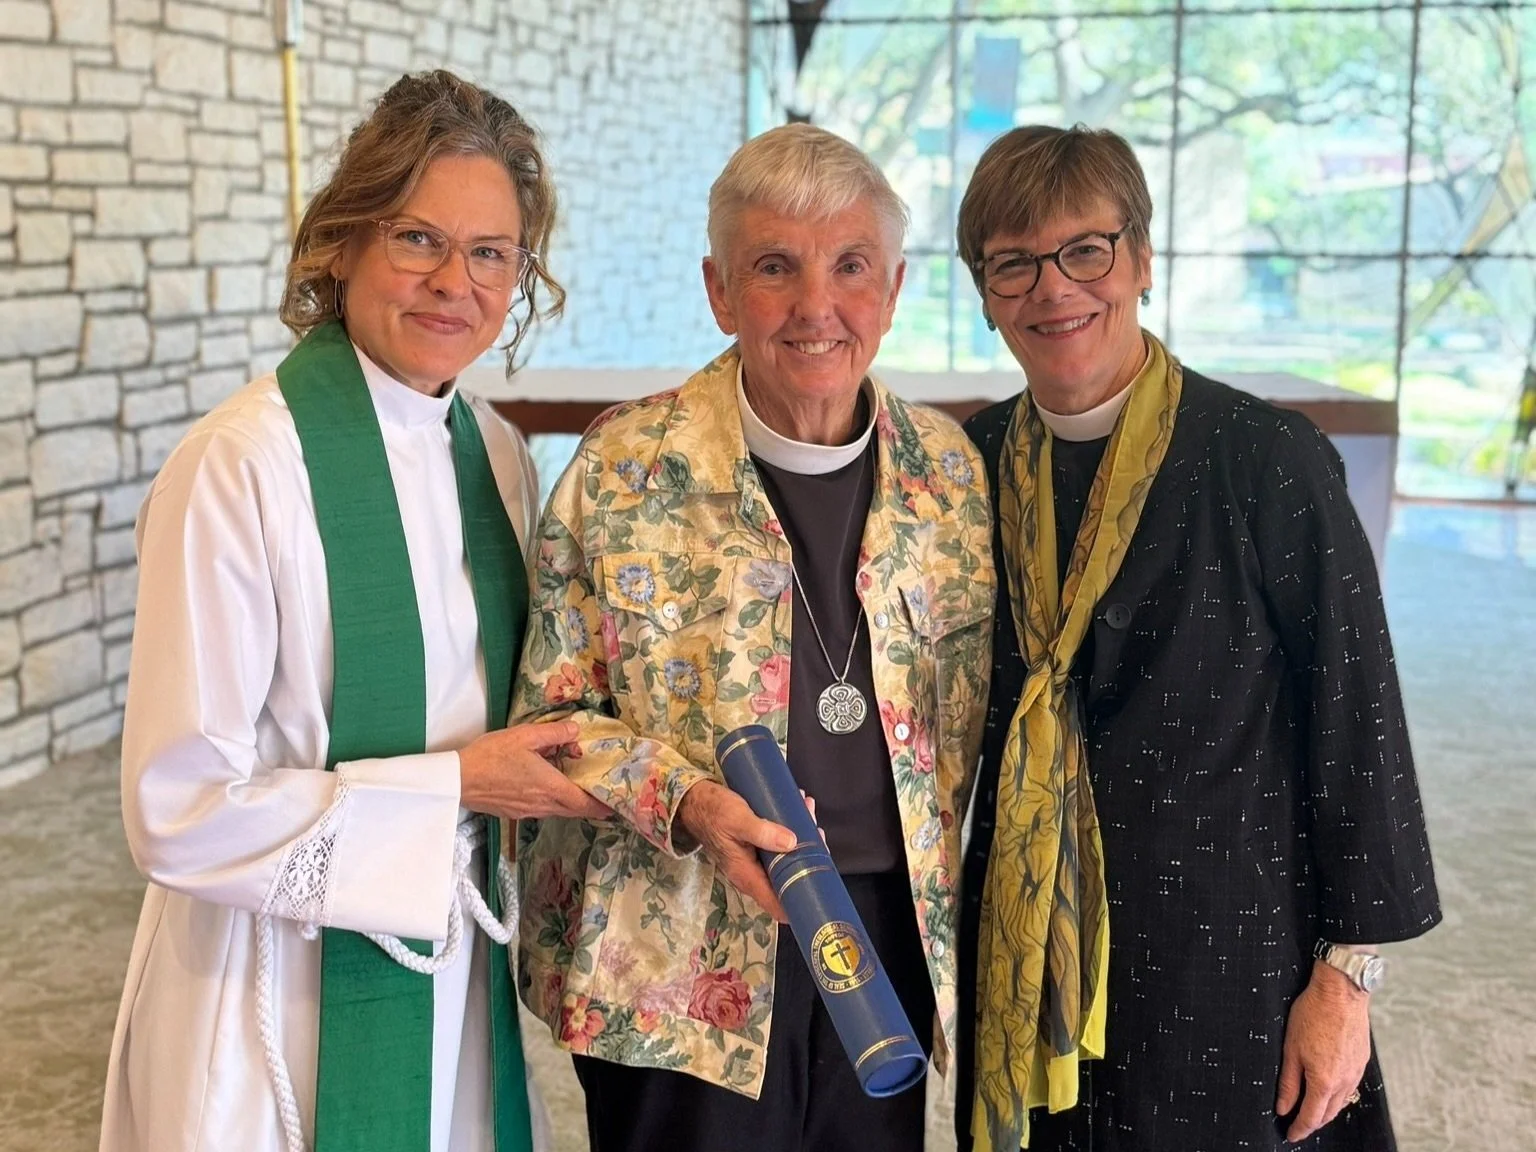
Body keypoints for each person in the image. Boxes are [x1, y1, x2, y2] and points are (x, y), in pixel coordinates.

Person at [99, 70, 607, 1152]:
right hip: (270, 989)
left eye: (490, 254)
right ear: (341, 242)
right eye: (417, 238)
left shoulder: (499, 460)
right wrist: (456, 787)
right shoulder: (241, 467)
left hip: (444, 950)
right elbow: (178, 809)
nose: (453, 283)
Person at [952, 124, 1442, 1152]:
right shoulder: (968, 466)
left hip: (1228, 954)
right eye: (1013, 263)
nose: (1054, 289)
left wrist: (1345, 983)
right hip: (1028, 953)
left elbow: (1361, 730)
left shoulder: (1266, 460)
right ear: (984, 289)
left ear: (1139, 258)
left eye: (1086, 250)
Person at [510, 123, 994, 1152]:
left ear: (894, 288)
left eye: (850, 266)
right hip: (676, 943)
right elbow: (548, 724)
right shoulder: (623, 466)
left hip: (885, 940)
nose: (818, 307)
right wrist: (683, 798)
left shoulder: (950, 474)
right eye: (775, 267)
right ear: (720, 291)